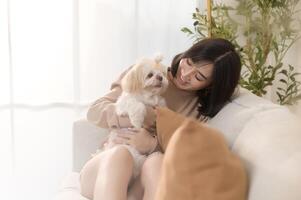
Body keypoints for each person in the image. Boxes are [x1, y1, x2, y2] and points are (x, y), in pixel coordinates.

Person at [79, 38, 242, 200]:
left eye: (198, 77)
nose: (186, 74)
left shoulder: (200, 111)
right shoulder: (146, 70)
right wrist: (138, 118)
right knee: (121, 155)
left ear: (211, 85)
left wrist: (152, 145)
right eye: (189, 62)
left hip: (141, 182)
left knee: (157, 162)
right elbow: (94, 111)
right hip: (105, 169)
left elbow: (187, 158)